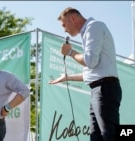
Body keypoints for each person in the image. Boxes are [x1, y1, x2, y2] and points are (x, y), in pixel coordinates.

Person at [49, 7, 122, 141]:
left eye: (64, 25)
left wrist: (70, 52)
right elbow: (92, 72)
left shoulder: (94, 27)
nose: (64, 29)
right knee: (96, 137)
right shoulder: (89, 32)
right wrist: (66, 77)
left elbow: (90, 61)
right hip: (99, 89)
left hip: (105, 89)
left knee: (109, 136)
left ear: (73, 18)